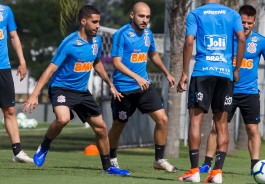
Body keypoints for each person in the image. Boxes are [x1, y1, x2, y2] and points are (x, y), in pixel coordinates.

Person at [22, 5, 130, 176]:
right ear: (83, 21)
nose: (98, 25)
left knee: (101, 128)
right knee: (63, 119)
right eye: (94, 22)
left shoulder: (97, 41)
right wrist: (34, 95)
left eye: (99, 22)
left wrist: (109, 83)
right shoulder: (69, 43)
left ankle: (107, 167)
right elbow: (50, 69)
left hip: (82, 92)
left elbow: (96, 62)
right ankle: (44, 146)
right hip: (61, 88)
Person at [199, 4, 265, 175]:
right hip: (226, 91)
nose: (246, 25)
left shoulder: (261, 41)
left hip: (250, 93)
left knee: (252, 130)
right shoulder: (228, 39)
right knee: (216, 128)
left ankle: (254, 167)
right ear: (238, 20)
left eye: (250, 23)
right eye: (243, 21)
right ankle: (206, 163)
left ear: (254, 22)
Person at [177, 0, 246, 183]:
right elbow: (242, 38)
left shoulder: (196, 13)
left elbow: (189, 40)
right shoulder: (232, 14)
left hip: (202, 72)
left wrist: (184, 73)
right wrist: (236, 69)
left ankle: (194, 171)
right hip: (225, 73)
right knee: (222, 124)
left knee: (195, 121)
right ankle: (217, 173)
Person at [108, 2, 177, 173]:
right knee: (118, 125)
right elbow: (116, 63)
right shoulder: (121, 34)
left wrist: (166, 73)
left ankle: (159, 160)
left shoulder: (148, 34)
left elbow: (152, 54)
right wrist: (136, 77)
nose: (145, 20)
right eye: (141, 16)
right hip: (124, 89)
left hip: (144, 87)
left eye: (147, 17)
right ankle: (110, 158)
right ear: (132, 15)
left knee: (163, 119)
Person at [0, 4, 33, 163]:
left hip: (3, 68)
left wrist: (22, 61)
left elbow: (13, 36)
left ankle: (17, 151)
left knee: (10, 110)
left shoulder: (6, 11)